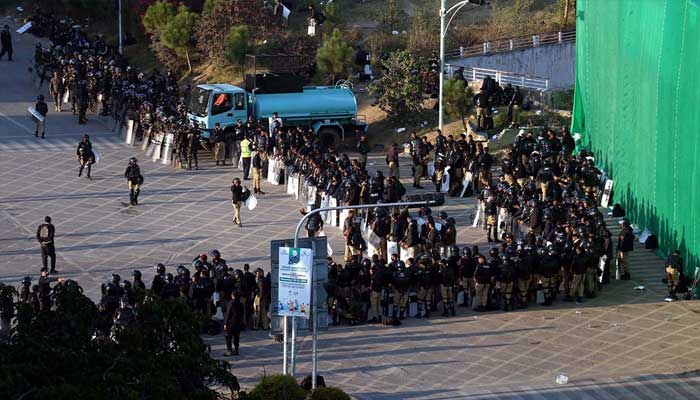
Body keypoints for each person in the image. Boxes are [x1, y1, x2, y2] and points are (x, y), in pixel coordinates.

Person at [223, 290, 244, 356]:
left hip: (231, 323)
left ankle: (229, 350)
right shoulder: (241, 304)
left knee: (228, 337)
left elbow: (228, 314)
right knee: (236, 337)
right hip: (238, 323)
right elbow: (242, 313)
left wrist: (225, 323)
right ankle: (236, 350)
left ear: (232, 296)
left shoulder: (231, 303)